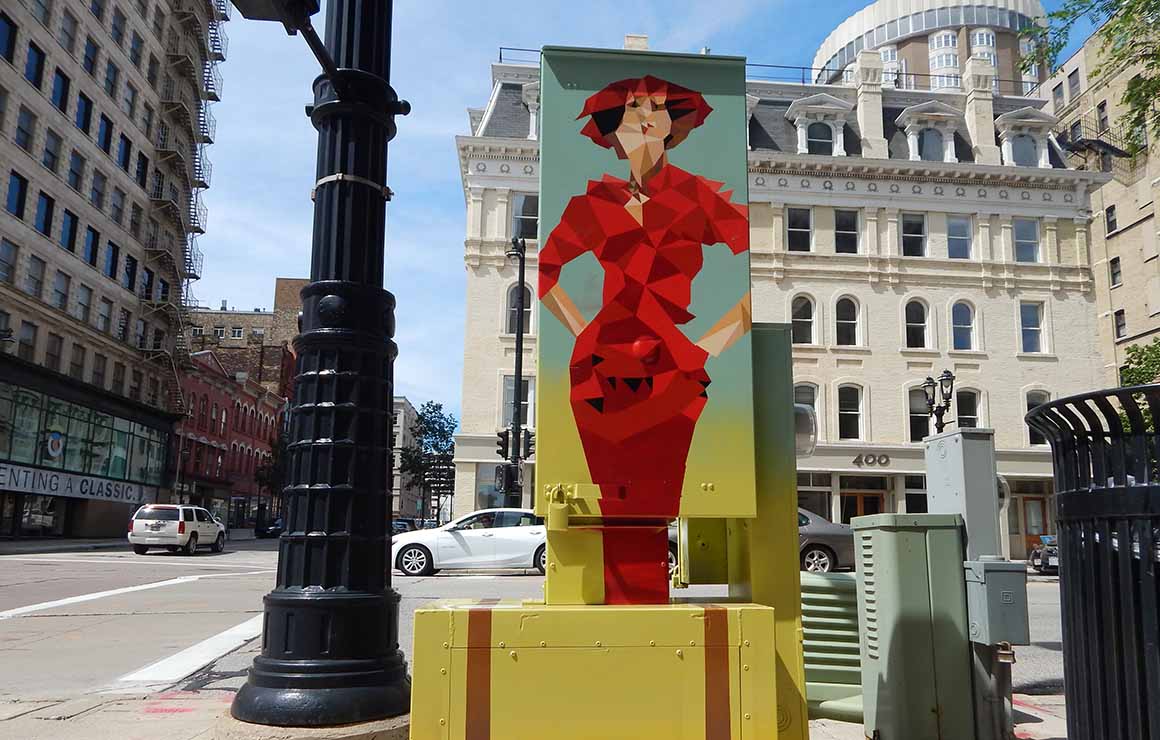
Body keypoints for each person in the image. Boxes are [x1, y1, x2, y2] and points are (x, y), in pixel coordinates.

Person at [539, 75, 750, 603]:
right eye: (634, 107)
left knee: (656, 493)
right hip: (600, 366)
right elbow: (545, 274)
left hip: (669, 364)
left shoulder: (695, 196)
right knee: (613, 497)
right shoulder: (594, 203)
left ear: (675, 125)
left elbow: (763, 272)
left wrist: (709, 346)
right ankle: (623, 603)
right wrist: (584, 331)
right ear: (613, 129)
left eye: (658, 106)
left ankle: (642, 598)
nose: (647, 114)